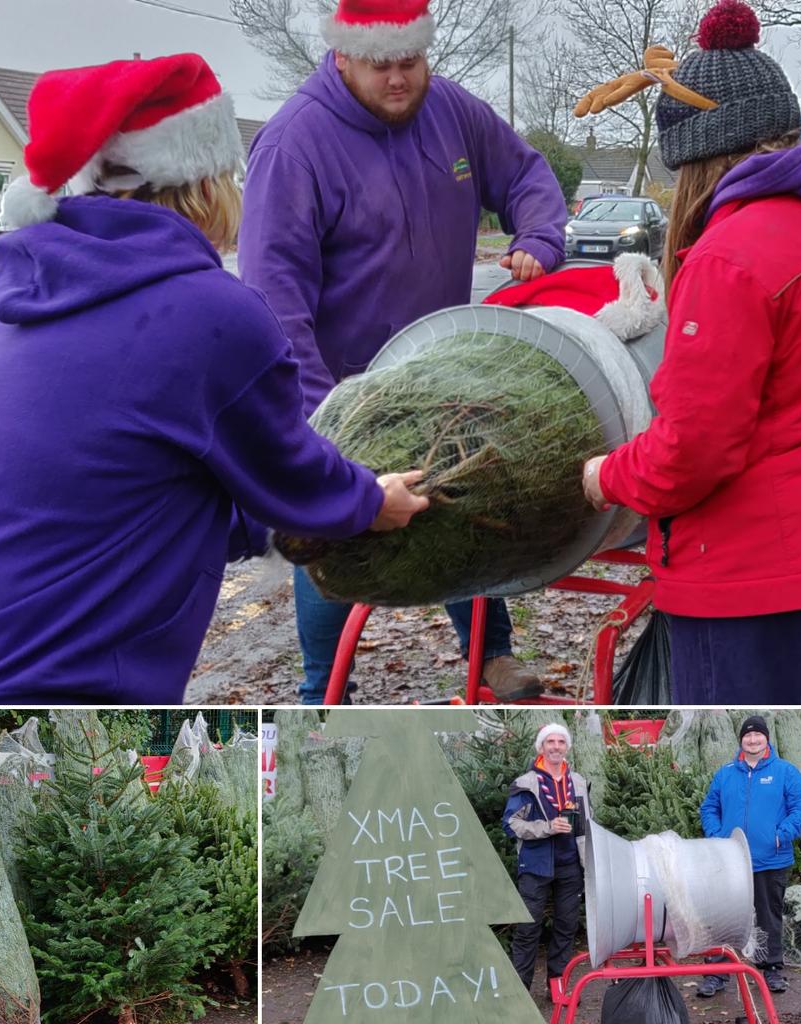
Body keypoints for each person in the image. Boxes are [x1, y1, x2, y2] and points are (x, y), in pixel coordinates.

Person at [0, 54, 427, 703]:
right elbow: (291, 474)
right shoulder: (212, 314)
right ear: (205, 185)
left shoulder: (24, 310)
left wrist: (283, 521)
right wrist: (372, 503)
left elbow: (148, 492)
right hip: (64, 685)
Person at [238, 0, 568, 704]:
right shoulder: (294, 145)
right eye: (382, 65)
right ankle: (322, 685)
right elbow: (273, 297)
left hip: (438, 371)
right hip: (339, 388)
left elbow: (529, 178)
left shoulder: (453, 112)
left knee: (463, 496)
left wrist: (539, 237)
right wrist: (321, 415)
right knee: (333, 525)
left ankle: (491, 653)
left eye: (410, 63)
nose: (398, 80)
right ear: (343, 57)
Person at [578, 0, 801, 703]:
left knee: (735, 787)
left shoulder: (728, 256)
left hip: (754, 586)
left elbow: (693, 450)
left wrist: (608, 476)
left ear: (697, 155)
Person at [698, 715, 801, 995]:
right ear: (741, 740)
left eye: (757, 735)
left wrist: (780, 835)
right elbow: (709, 808)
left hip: (770, 859)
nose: (752, 740)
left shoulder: (786, 772)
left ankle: (771, 968)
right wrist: (717, 835)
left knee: (768, 916)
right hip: (730, 861)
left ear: (766, 739)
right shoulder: (725, 773)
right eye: (747, 736)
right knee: (725, 916)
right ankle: (717, 972)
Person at [502, 722, 590, 995]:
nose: (555, 747)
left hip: (570, 866)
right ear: (541, 747)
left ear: (567, 748)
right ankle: (520, 992)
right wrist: (547, 828)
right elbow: (511, 824)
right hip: (536, 865)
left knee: (566, 928)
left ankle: (558, 987)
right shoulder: (526, 783)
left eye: (560, 742)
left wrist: (588, 859)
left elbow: (587, 823)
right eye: (550, 742)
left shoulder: (578, 782)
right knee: (528, 929)